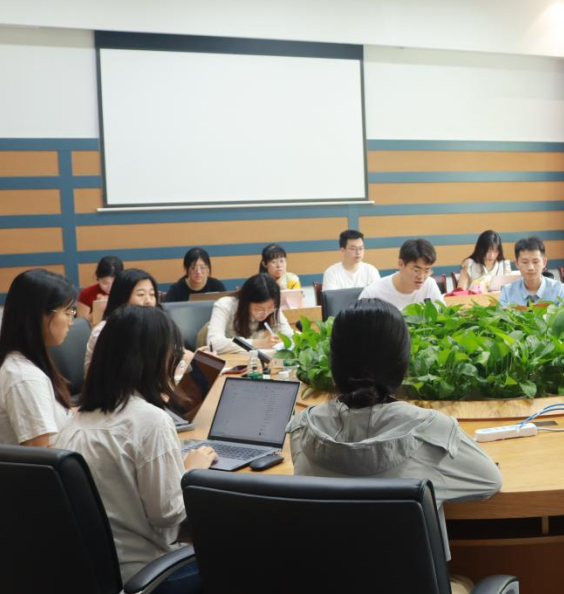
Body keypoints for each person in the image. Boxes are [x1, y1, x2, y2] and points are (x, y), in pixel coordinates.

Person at [286, 299, 501, 593]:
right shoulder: (430, 430)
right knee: (463, 582)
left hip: (329, 584)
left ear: (334, 362)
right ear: (402, 361)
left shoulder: (302, 428)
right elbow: (490, 480)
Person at [57, 305, 217, 593]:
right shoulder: (150, 421)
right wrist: (190, 470)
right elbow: (168, 514)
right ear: (155, 358)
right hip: (149, 574)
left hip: (94, 572)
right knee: (246, 552)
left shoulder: (75, 420)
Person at [0, 269, 75, 446]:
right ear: (39, 316)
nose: (71, 321)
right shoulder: (25, 378)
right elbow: (42, 456)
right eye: (67, 312)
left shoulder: (26, 364)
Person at [84, 269, 190, 376]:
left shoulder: (157, 325)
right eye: (141, 294)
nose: (148, 301)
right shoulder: (104, 330)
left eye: (152, 294)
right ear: (123, 297)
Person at [207, 273, 294, 354]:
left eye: (270, 308)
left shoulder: (271, 308)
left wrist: (283, 341)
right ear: (245, 302)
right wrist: (258, 343)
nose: (265, 314)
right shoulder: (225, 305)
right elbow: (213, 343)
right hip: (227, 360)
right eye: (259, 309)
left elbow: (289, 336)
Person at [358, 239, 444, 310]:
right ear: (401, 264)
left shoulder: (429, 284)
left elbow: (443, 315)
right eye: (416, 270)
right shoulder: (372, 293)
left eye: (427, 270)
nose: (421, 276)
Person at [499, 237, 564, 307]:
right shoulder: (507, 292)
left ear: (544, 262)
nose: (530, 267)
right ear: (517, 264)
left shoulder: (560, 290)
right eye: (525, 262)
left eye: (535, 262)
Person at [77, 255, 124, 321]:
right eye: (105, 283)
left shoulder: (126, 291)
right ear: (98, 278)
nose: (110, 288)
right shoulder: (87, 293)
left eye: (114, 283)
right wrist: (98, 307)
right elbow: (81, 323)